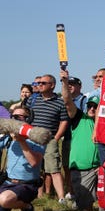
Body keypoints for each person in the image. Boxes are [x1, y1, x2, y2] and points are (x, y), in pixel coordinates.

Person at [59, 70, 101, 211]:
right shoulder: (79, 118)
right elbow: (67, 100)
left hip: (100, 169)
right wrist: (65, 82)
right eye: (89, 105)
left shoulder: (104, 124)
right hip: (82, 170)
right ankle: (79, 202)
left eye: (95, 106)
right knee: (85, 209)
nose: (92, 108)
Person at [0, 106, 44, 211]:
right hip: (8, 182)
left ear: (28, 119)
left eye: (19, 117)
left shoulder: (36, 138)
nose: (15, 120)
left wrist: (21, 141)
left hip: (27, 185)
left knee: (4, 200)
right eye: (13, 117)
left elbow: (34, 162)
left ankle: (27, 207)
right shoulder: (8, 138)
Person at [30, 73, 69, 203]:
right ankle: (39, 197)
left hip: (50, 139)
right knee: (36, 168)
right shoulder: (32, 100)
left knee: (54, 169)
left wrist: (56, 138)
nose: (39, 85)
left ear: (52, 85)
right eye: (38, 83)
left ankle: (61, 198)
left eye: (43, 83)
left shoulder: (60, 102)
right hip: (33, 139)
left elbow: (64, 121)